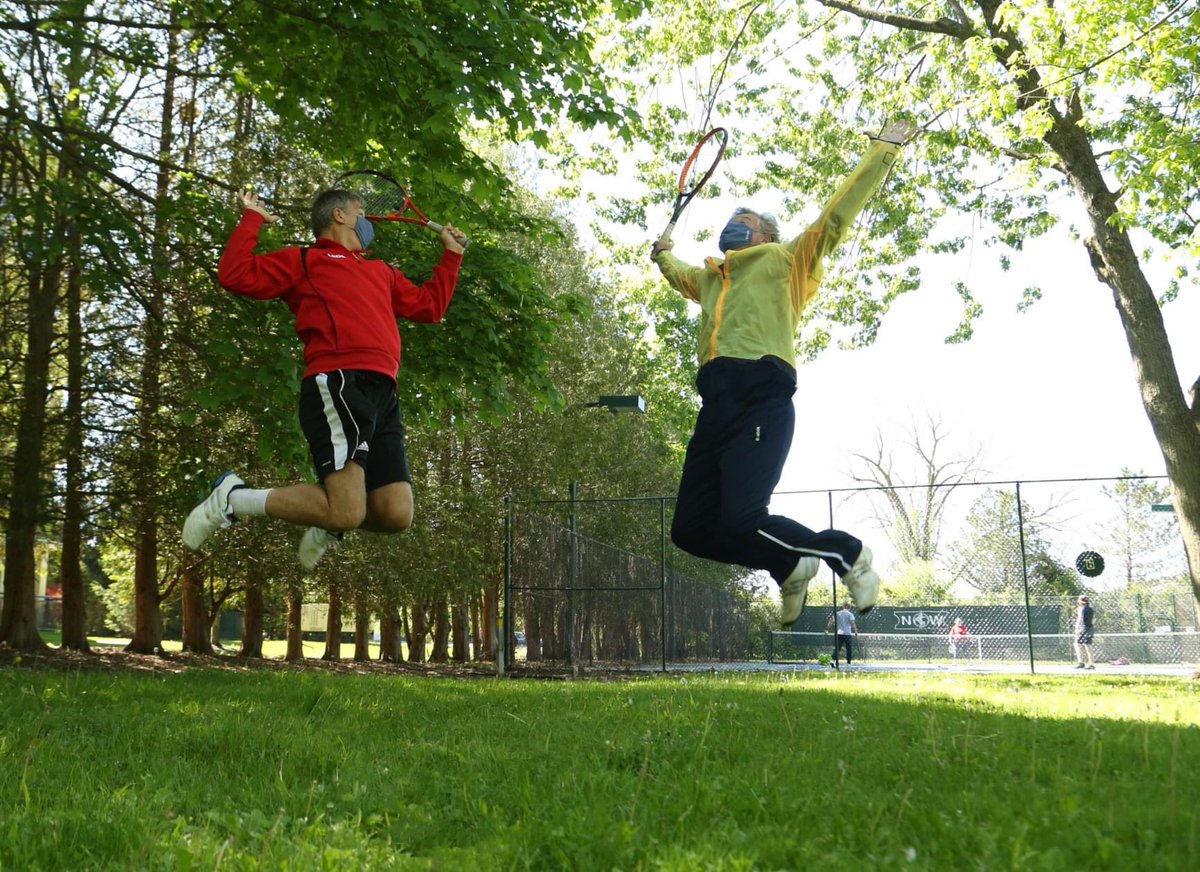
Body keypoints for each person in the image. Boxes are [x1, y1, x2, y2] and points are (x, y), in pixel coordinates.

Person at [650, 120, 917, 626]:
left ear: (767, 235)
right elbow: (675, 272)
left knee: (744, 517)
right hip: (716, 408)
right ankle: (788, 563)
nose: (733, 224)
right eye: (731, 219)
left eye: (743, 220)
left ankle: (846, 553)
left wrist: (884, 149)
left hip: (761, 396)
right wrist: (662, 254)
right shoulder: (710, 278)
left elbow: (835, 216)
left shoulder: (786, 258)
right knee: (691, 529)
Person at [183, 188, 467, 569]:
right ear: (339, 216)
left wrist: (452, 255)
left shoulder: (381, 271)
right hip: (338, 383)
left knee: (396, 514)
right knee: (347, 511)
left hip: (384, 392)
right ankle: (234, 498)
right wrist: (251, 218)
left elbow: (430, 307)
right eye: (362, 213)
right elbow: (234, 274)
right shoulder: (304, 261)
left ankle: (328, 518)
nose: (368, 222)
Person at [1074, 595, 1095, 670]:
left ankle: (1081, 662)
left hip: (1084, 628)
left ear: (1080, 601)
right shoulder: (1090, 609)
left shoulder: (1081, 609)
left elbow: (1080, 619)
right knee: (1086, 645)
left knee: (1078, 644)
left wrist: (1077, 629)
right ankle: (1090, 664)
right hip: (1090, 627)